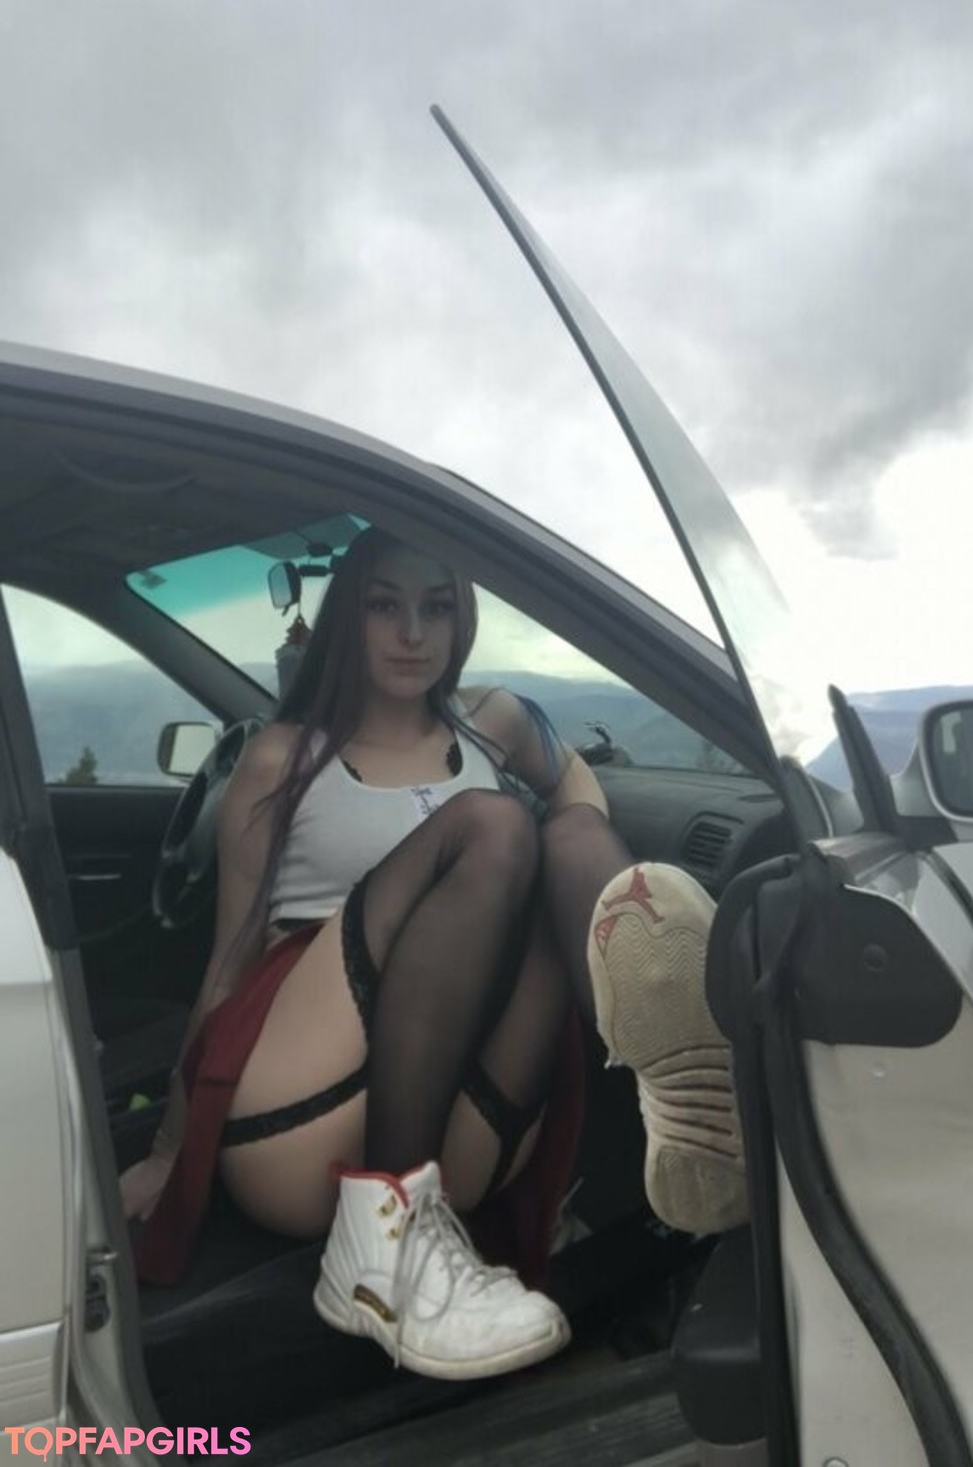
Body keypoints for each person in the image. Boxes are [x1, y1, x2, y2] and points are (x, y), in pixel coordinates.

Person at [123, 528, 745, 1381]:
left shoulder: (495, 722)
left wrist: (577, 834)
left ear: (464, 620)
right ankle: (383, 1246)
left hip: (455, 1120)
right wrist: (169, 1149)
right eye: (385, 605)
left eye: (437, 607)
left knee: (565, 838)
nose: (413, 632)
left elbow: (574, 781)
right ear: (349, 618)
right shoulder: (281, 756)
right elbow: (231, 960)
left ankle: (684, 1108)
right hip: (300, 1103)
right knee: (495, 826)